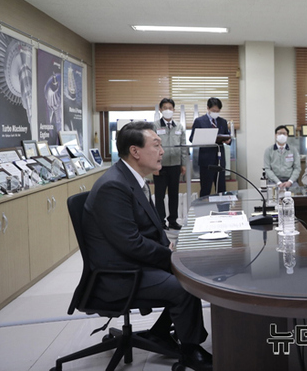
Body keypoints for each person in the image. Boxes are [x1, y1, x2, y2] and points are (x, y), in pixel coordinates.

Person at [83, 121, 212, 370]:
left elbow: (150, 228)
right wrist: (169, 256)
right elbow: (131, 244)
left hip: (132, 262)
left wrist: (170, 247)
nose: (162, 151)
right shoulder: (113, 186)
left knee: (191, 270)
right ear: (135, 151)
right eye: (156, 145)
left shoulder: (133, 179)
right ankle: (191, 351)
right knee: (185, 286)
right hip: (118, 274)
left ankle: (160, 333)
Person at [153, 98, 187, 230]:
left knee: (174, 194)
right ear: (161, 110)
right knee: (159, 195)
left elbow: (183, 147)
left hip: (175, 165)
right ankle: (160, 222)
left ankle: (173, 220)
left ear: (174, 110)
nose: (168, 110)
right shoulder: (155, 126)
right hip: (160, 166)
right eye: (165, 108)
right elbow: (151, 147)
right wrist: (154, 165)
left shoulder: (179, 126)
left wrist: (183, 164)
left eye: (170, 108)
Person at [189, 97, 232, 197]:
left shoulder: (223, 122)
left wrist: (228, 140)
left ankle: (222, 207)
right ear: (208, 108)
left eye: (218, 111)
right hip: (206, 160)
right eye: (213, 110)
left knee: (221, 189)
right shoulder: (199, 121)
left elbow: (227, 136)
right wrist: (205, 138)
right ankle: (203, 207)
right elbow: (192, 138)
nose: (215, 113)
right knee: (206, 189)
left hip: (219, 159)